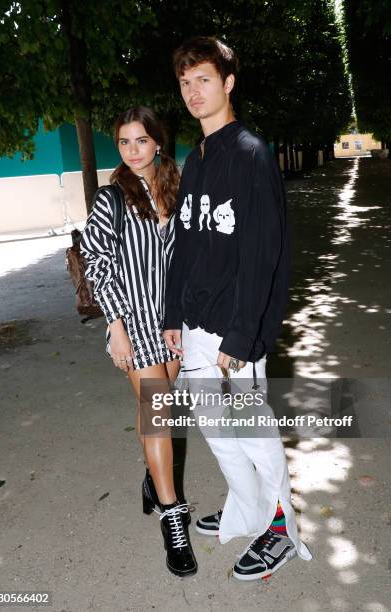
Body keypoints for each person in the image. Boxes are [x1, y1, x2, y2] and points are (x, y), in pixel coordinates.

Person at [163, 37, 312, 580]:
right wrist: (172, 315)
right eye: (184, 82)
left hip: (234, 326)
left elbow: (262, 255)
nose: (193, 92)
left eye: (203, 79)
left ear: (228, 83)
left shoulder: (251, 153)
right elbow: (185, 242)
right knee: (212, 424)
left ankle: (280, 527)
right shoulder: (195, 158)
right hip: (195, 323)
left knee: (252, 427)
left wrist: (241, 336)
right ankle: (246, 507)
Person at [80, 106, 197, 577]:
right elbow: (97, 259)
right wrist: (115, 326)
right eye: (124, 142)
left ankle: (153, 483)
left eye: (140, 141)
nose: (132, 150)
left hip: (173, 321)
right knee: (158, 415)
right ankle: (174, 519)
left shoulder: (177, 188)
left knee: (161, 410)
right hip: (132, 320)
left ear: (157, 142)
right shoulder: (111, 198)